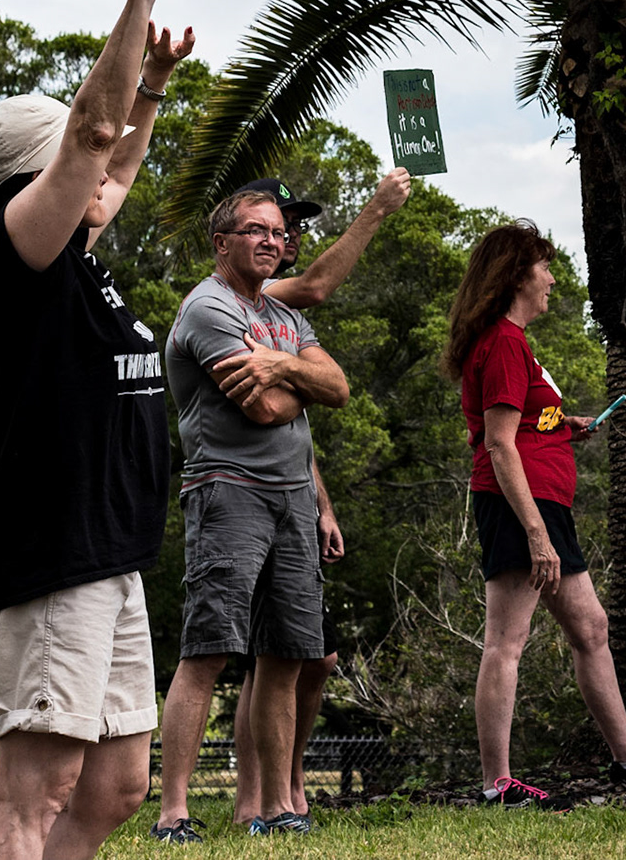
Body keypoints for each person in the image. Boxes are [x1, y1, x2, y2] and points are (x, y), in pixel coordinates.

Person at [0, 0, 193, 860]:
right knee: (33, 791)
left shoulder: (68, 251)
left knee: (113, 786)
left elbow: (107, 163)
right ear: (30, 182)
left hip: (107, 551)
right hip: (48, 549)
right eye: (89, 157)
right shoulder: (15, 252)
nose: (108, 171)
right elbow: (88, 138)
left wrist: (151, 87)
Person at [443, 221, 626, 809]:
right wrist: (535, 534)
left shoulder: (511, 342)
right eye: (545, 267)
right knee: (506, 642)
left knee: (590, 629)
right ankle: (496, 784)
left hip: (542, 503)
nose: (553, 279)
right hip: (522, 507)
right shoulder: (505, 342)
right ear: (517, 276)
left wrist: (567, 422)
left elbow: (522, 423)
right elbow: (498, 444)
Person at [154, 189, 352, 840]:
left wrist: (281, 367)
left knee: (286, 656)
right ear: (222, 239)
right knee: (209, 648)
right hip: (227, 490)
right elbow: (265, 409)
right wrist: (301, 378)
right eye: (256, 230)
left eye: (276, 232)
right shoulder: (208, 307)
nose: (272, 240)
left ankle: (274, 808)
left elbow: (341, 388)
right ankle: (174, 812)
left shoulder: (280, 314)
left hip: (294, 498)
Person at [227, 168, 413, 830]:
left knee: (311, 654)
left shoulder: (283, 314)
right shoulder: (253, 293)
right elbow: (321, 285)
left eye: (294, 225)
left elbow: (303, 415)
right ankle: (260, 797)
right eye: (277, 223)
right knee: (268, 657)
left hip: (293, 497)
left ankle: (286, 781)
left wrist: (323, 503)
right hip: (245, 501)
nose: (291, 235)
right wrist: (377, 210)